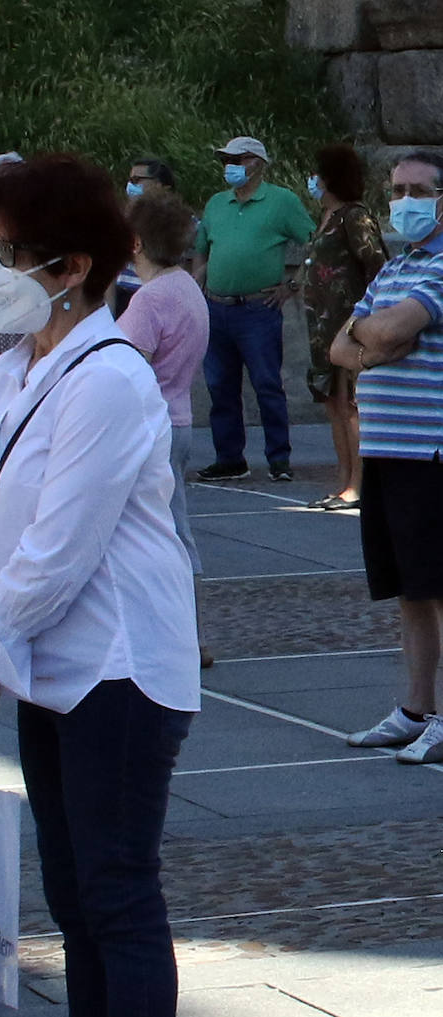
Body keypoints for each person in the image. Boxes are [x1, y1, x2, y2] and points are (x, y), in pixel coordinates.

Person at [0, 155, 200, 1017]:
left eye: (11, 254)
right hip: (47, 660)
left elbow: (59, 548)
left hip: (117, 664)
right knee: (71, 891)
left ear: (74, 268)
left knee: (116, 887)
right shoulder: (16, 366)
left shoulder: (108, 376)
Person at [331, 150, 443, 766]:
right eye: (396, 188)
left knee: (440, 586)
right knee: (411, 589)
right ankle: (416, 708)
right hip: (387, 450)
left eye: (417, 189)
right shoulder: (396, 266)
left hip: (430, 450)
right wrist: (376, 343)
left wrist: (371, 339)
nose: (403, 200)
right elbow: (338, 346)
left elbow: (390, 327)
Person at [118, 189, 213, 668]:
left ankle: (183, 636)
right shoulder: (186, 287)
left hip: (150, 424)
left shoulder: (148, 301)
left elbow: (126, 369)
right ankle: (186, 634)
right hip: (179, 417)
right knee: (174, 529)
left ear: (134, 242)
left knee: (161, 533)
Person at [193, 136, 315, 482]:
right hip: (217, 308)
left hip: (258, 311)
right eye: (225, 160)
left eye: (237, 159)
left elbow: (315, 243)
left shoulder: (281, 201)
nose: (229, 166)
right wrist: (192, 287)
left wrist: (292, 286)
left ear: (258, 163)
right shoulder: (217, 203)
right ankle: (229, 458)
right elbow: (202, 249)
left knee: (267, 384)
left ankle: (279, 459)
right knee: (220, 387)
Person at [302, 144, 386, 511]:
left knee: (352, 407)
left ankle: (358, 485)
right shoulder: (325, 216)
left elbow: (377, 265)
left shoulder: (354, 216)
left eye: (318, 173)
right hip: (322, 330)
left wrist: (367, 320)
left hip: (349, 328)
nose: (313, 180)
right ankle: (342, 481)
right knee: (334, 406)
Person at [115, 157, 177, 316]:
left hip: (157, 302)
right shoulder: (121, 221)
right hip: (123, 299)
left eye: (137, 180)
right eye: (130, 180)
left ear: (161, 186)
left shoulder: (180, 225)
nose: (131, 185)